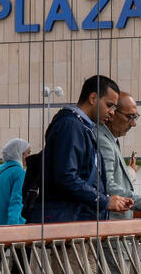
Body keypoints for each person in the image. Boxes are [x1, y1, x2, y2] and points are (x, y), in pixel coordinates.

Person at [41, 75, 133, 223]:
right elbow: (66, 177)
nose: (112, 113)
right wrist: (104, 201)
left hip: (73, 219)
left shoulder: (81, 127)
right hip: (68, 222)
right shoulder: (71, 126)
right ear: (93, 98)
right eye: (109, 105)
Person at [97, 91, 141, 220]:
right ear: (112, 113)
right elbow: (107, 185)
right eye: (130, 117)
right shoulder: (103, 141)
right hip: (111, 224)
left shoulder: (110, 139)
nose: (134, 123)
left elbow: (112, 177)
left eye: (135, 117)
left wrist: (130, 171)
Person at [0, 138, 30, 226]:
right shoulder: (19, 173)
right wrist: (14, 226)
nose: (29, 156)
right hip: (4, 223)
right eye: (28, 153)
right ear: (21, 154)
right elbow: (16, 201)